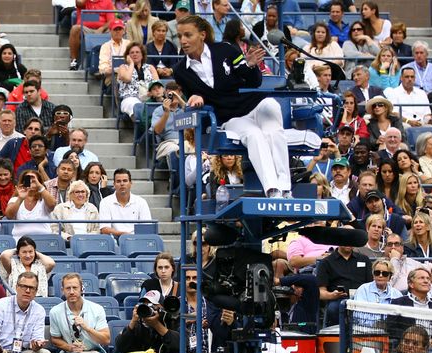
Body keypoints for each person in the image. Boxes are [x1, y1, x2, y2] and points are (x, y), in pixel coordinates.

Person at [174, 16, 291, 198]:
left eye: (188, 35)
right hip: (230, 118)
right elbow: (194, 98)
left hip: (254, 104)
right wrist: (196, 98)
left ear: (202, 35)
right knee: (255, 136)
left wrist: (251, 66)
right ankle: (273, 190)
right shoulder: (180, 70)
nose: (183, 40)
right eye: (180, 35)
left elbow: (254, 81)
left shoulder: (225, 49)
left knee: (272, 119)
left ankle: (285, 188)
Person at [0, 272, 52, 353]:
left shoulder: (39, 310)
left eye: (31, 288)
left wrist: (37, 345)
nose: (27, 290)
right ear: (16, 287)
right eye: (23, 286)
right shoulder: (0, 306)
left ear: (36, 291)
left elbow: (37, 339)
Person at [50, 273, 110, 353]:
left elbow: (106, 340)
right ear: (62, 290)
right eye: (68, 288)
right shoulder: (55, 312)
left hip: (95, 352)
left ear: (81, 289)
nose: (71, 292)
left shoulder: (97, 309)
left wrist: (87, 328)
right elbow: (55, 339)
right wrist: (70, 347)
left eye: (75, 288)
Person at [317, 237, 373, 326]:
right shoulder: (326, 262)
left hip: (362, 299)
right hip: (338, 300)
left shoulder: (364, 259)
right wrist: (331, 295)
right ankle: (340, 336)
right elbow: (320, 292)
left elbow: (371, 285)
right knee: (334, 308)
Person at [115, 290, 181, 353]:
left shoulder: (172, 322)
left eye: (152, 305)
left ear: (162, 309)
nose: (148, 308)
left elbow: (182, 344)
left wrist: (156, 325)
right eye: (145, 305)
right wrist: (133, 322)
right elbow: (120, 347)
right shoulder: (137, 326)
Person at [5, 169, 56, 239]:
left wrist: (40, 186)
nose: (31, 181)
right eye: (28, 179)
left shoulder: (44, 199)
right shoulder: (15, 199)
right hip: (20, 240)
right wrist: (20, 198)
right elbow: (9, 216)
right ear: (23, 182)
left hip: (44, 240)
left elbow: (52, 204)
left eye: (34, 179)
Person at [99, 168, 151, 236]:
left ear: (130, 183)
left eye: (125, 181)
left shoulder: (141, 202)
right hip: (114, 241)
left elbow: (147, 227)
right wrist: (122, 234)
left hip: (136, 241)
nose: (122, 184)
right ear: (114, 184)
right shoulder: (105, 202)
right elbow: (104, 229)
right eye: (118, 181)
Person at [67, 0, 115, 70]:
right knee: (74, 29)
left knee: (117, 30)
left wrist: (102, 28)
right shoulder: (83, 2)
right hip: (85, 29)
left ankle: (112, 63)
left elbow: (111, 20)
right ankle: (74, 61)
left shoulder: (107, 2)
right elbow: (79, 3)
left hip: (103, 30)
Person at [116, 42, 158, 119]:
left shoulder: (150, 67)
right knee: (136, 107)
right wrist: (131, 64)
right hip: (130, 98)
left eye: (137, 52)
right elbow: (127, 79)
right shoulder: (123, 67)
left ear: (142, 55)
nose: (135, 54)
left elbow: (157, 84)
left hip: (149, 98)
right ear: (127, 56)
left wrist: (152, 92)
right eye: (132, 52)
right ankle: (141, 129)